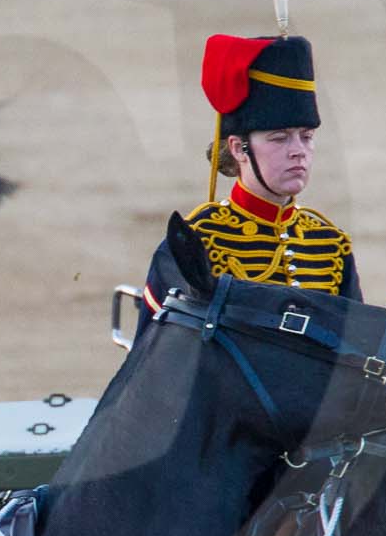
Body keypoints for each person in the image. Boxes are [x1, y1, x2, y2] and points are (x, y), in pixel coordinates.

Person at [140, 33, 359, 328]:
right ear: (238, 148)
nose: (299, 152)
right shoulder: (199, 239)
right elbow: (158, 356)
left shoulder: (330, 244)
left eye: (307, 137)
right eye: (279, 138)